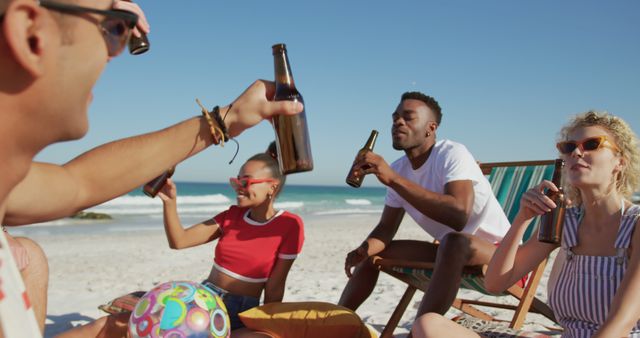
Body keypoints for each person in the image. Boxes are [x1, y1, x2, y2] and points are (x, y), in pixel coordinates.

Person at [0, 0, 303, 335]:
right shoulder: (232, 216)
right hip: (207, 300)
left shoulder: (11, 201)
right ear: (30, 32)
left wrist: (226, 120)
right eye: (116, 27)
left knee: (31, 256)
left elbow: (78, 183)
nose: (116, 54)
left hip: (227, 308)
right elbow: (79, 184)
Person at [412, 111, 640, 338]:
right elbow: (495, 282)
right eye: (569, 147)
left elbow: (621, 323)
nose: (577, 152)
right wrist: (522, 218)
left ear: (620, 162)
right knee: (429, 324)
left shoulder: (635, 225)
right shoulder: (566, 222)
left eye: (591, 144)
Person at [338, 91, 511, 327]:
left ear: (431, 127)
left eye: (408, 117)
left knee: (453, 241)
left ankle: (420, 331)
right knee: (372, 255)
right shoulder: (399, 169)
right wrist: (363, 250)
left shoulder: (452, 153)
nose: (398, 122)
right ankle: (334, 323)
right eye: (395, 117)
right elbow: (386, 229)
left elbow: (459, 216)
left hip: (502, 256)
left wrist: (393, 179)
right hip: (449, 254)